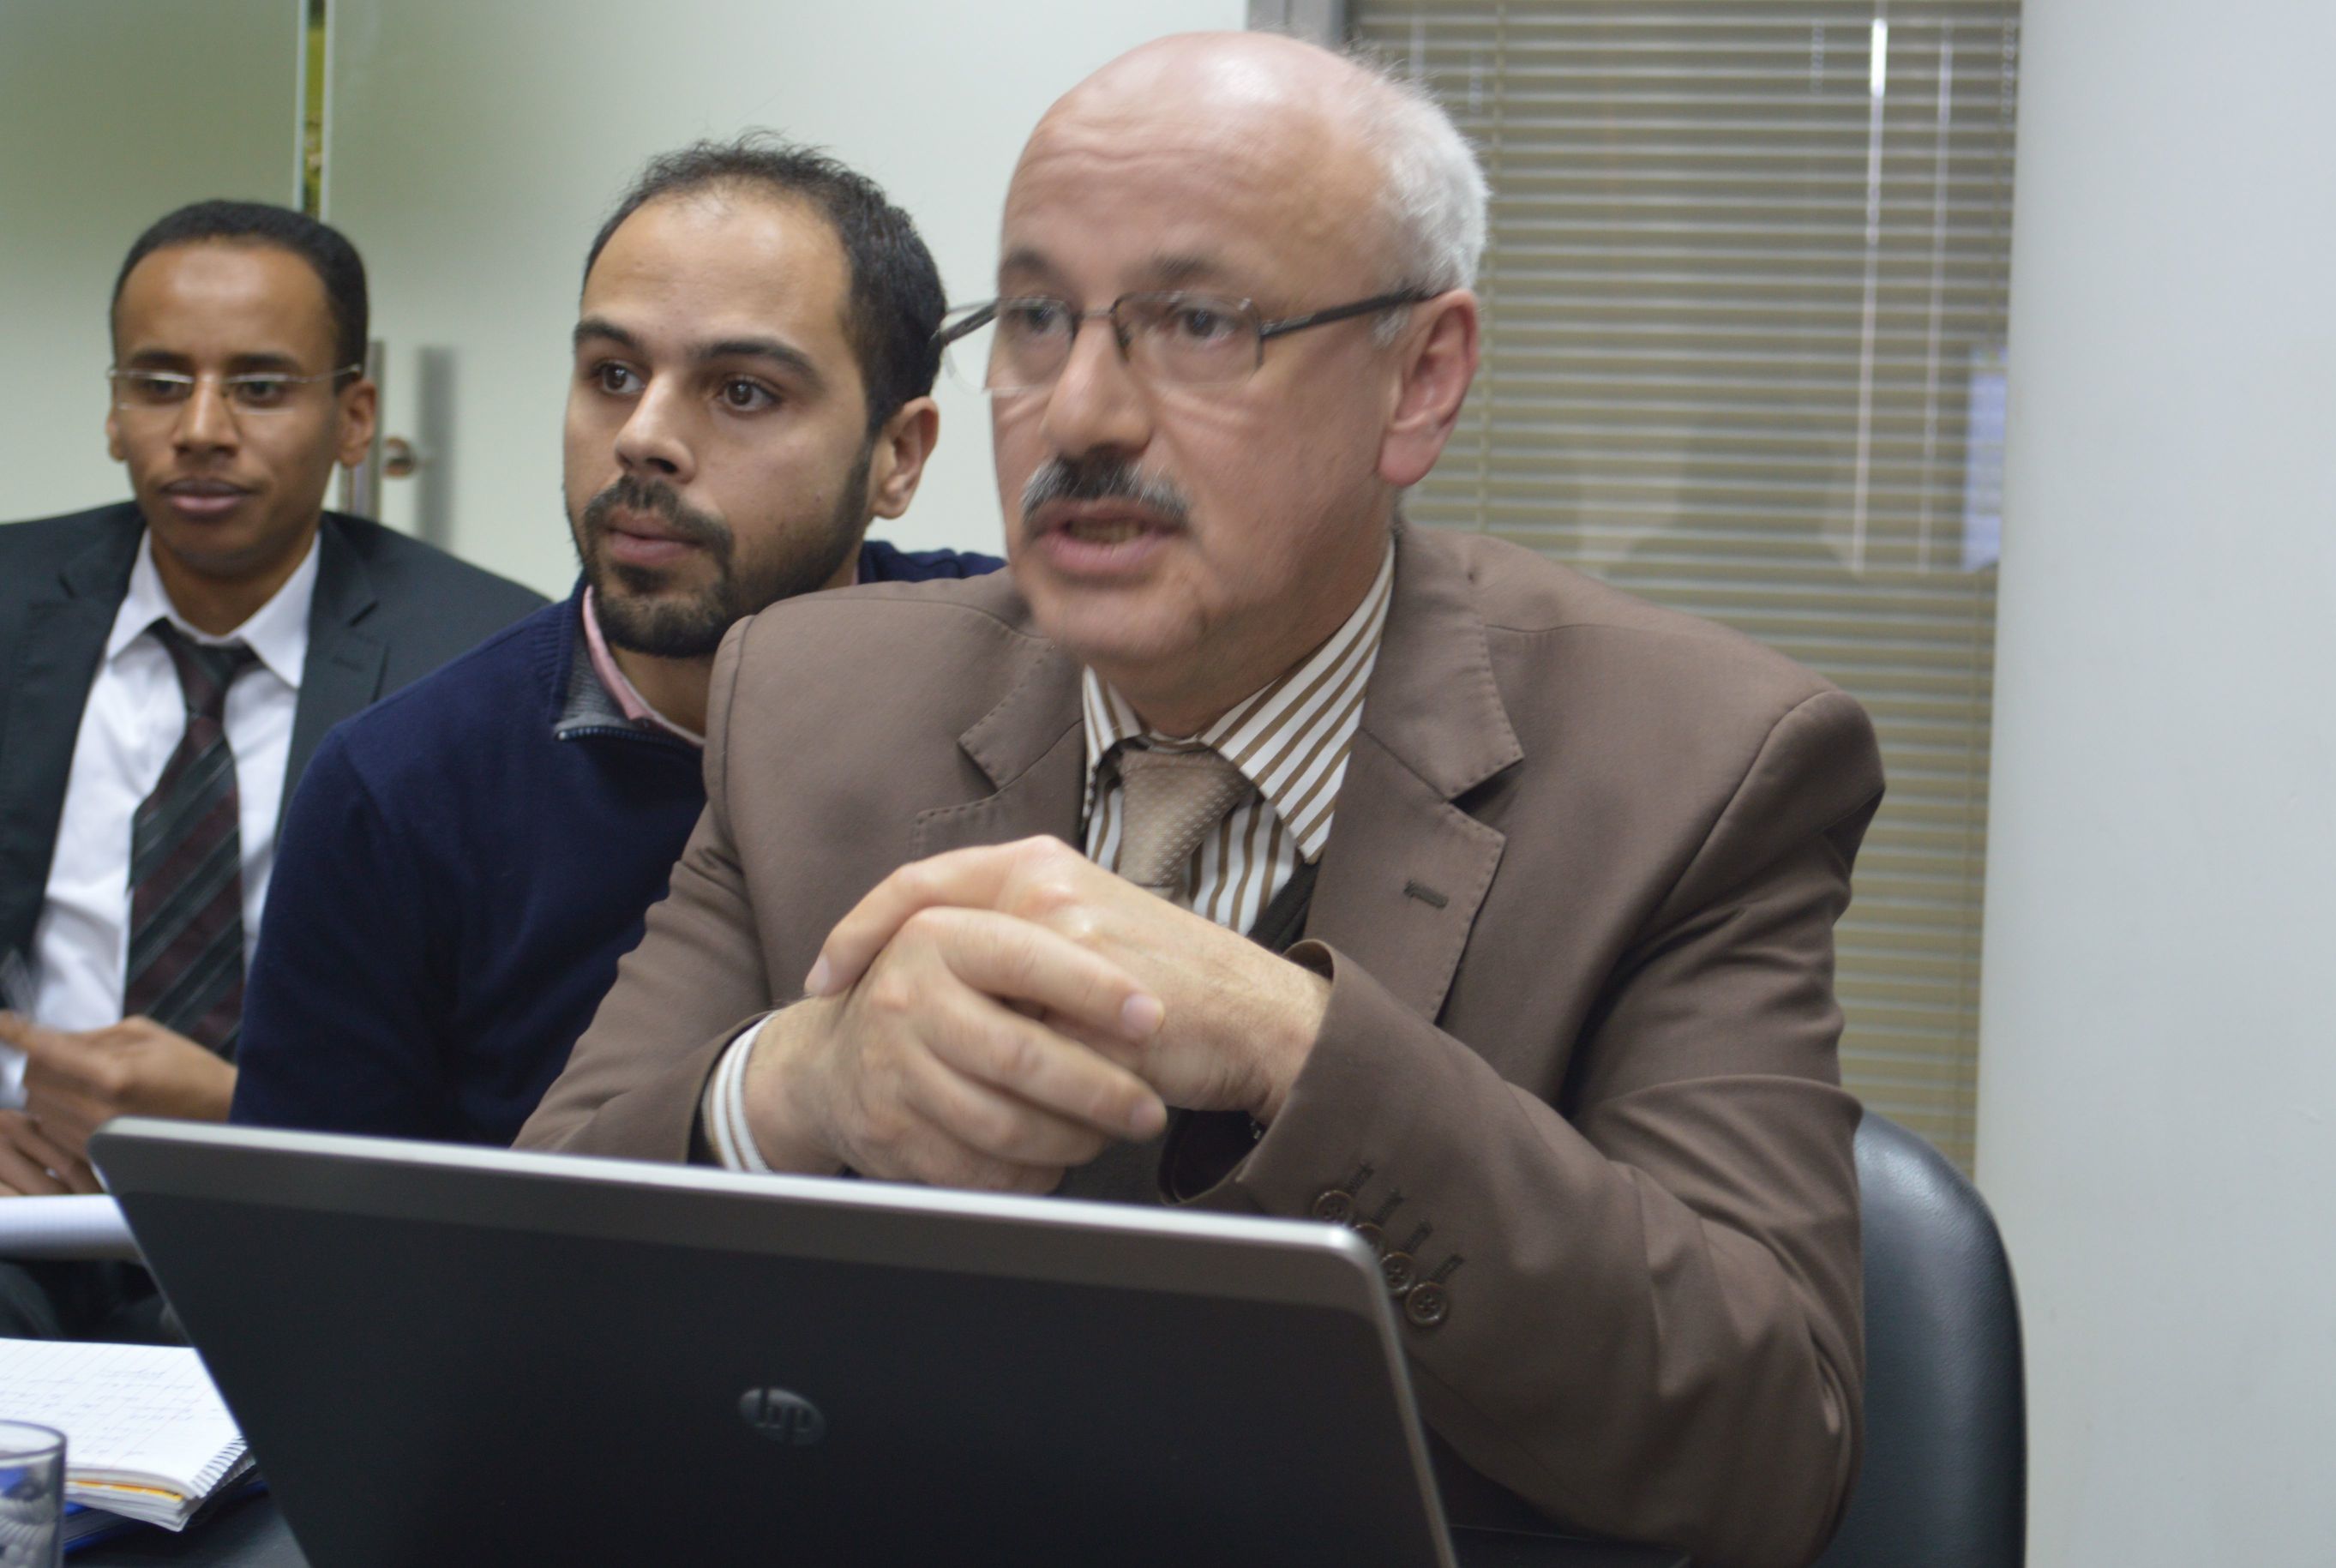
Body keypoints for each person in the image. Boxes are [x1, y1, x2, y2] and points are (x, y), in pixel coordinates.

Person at [521, 37, 1883, 1568]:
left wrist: (1296, 1047)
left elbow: (1771, 1446)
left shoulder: (1697, 764)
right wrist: (791, 1085)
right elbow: (519, 1269)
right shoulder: (815, 697)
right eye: (1037, 319)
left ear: (1420, 379)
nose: (1080, 413)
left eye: (1198, 323)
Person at [230, 139, 1000, 1149]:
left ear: (897, 454)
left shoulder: (1022, 682)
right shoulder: (398, 791)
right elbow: (312, 1232)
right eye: (613, 373)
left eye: (742, 391)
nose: (642, 436)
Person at [0, 200, 543, 1334]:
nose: (201, 428)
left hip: (309, 1247)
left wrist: (244, 1115)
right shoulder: (13, 603)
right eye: (158, 383)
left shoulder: (484, 668)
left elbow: (520, 1080)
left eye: (258, 386)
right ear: (113, 410)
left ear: (354, 418)